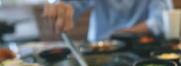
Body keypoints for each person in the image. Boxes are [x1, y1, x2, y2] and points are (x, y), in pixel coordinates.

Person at [43, 0, 173, 41]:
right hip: (98, 48)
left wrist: (124, 33)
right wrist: (61, 6)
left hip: (138, 45)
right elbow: (73, 4)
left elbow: (159, 21)